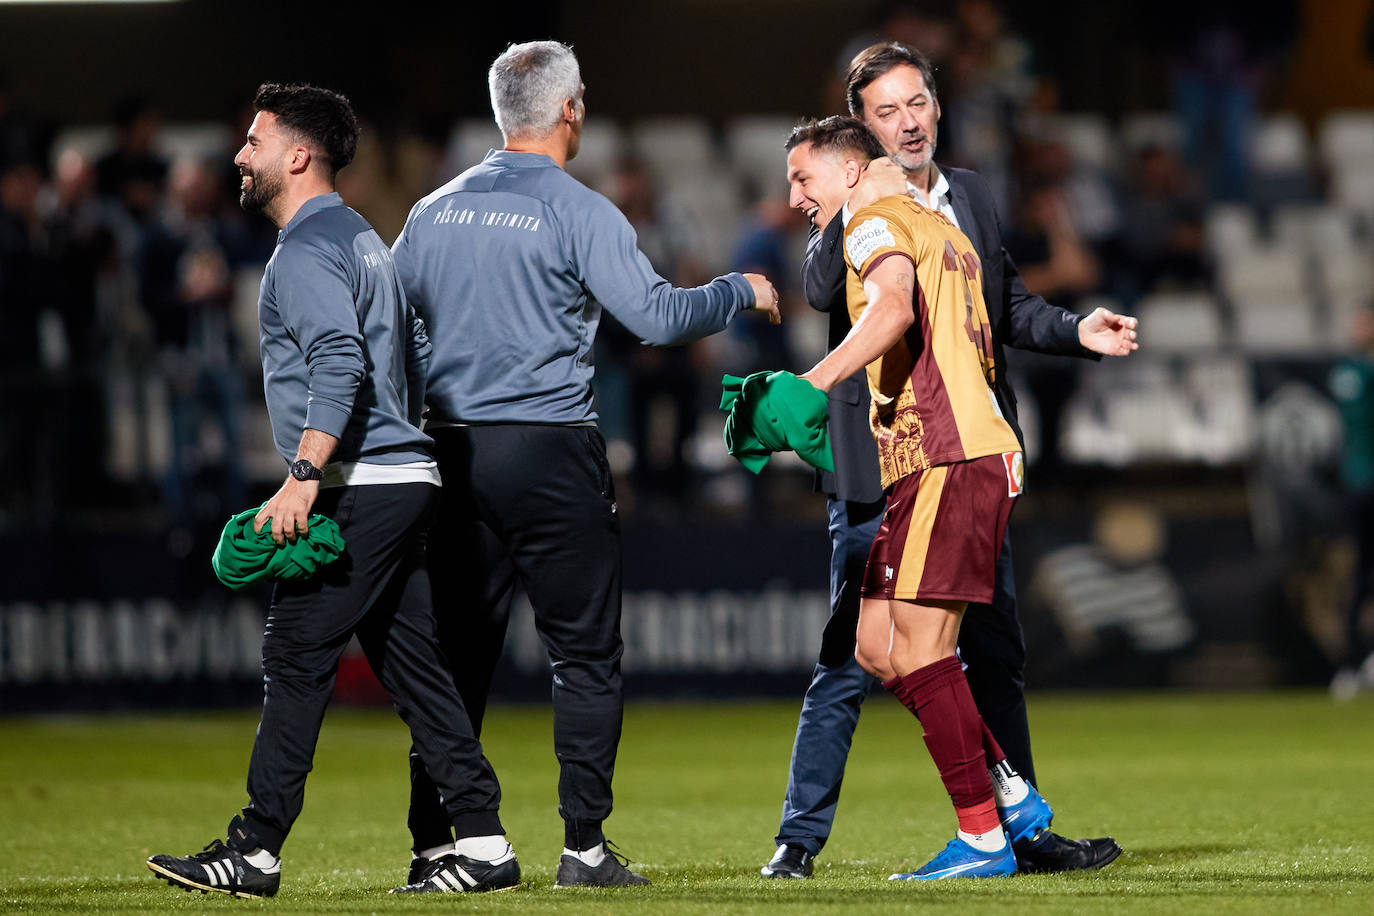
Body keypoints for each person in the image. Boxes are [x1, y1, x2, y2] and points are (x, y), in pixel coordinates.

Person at [391, 40, 781, 890]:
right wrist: (738, 290)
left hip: (450, 450)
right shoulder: (581, 210)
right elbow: (655, 318)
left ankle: (437, 845)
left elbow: (392, 331)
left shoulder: (430, 212)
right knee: (584, 653)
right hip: (549, 451)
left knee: (453, 659)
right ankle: (584, 848)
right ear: (570, 110)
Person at [762, 42, 1136, 880]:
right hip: (894, 463)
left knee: (946, 650)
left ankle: (992, 832)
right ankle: (834, 832)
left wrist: (806, 384)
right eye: (886, 111)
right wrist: (845, 199)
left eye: (918, 102)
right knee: (868, 647)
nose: (908, 121)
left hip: (946, 453)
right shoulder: (917, 219)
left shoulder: (926, 208)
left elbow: (913, 307)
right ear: (863, 130)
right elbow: (829, 287)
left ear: (936, 105)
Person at [145, 83, 516, 899]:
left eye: (255, 141)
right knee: (415, 667)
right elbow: (412, 351)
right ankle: (485, 841)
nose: (240, 155)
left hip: (360, 481)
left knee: (295, 652)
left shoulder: (307, 250)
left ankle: (255, 850)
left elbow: (340, 364)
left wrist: (304, 476)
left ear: (298, 155)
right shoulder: (362, 238)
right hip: (401, 475)